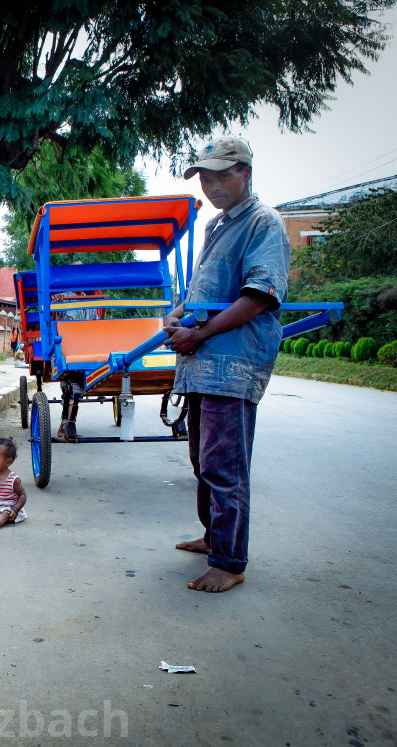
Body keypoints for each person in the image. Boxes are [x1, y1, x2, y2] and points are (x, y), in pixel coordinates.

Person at [166, 135, 290, 593]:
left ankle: (230, 561)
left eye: (222, 175)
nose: (213, 185)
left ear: (245, 173)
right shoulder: (217, 226)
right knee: (203, 460)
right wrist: (178, 314)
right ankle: (213, 537)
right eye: (206, 177)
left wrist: (198, 332)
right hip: (203, 363)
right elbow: (204, 290)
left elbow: (258, 297)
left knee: (225, 466)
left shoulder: (263, 223)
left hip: (232, 365)